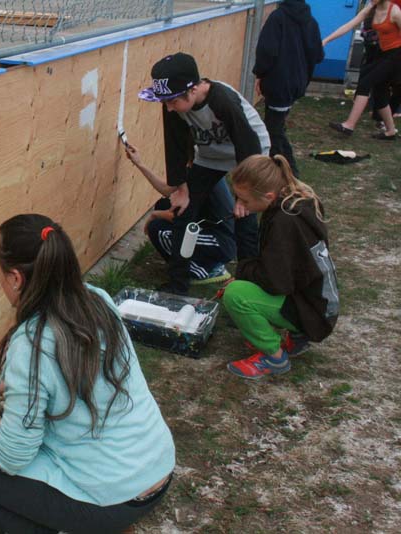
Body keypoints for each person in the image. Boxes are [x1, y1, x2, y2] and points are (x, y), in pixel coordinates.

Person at [0, 214, 175, 534]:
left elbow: (12, 457)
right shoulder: (96, 300)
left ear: (15, 279)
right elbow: (73, 382)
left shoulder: (32, 342)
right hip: (156, 472)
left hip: (110, 499)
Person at [138, 52, 270, 295]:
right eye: (164, 102)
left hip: (249, 155)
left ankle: (247, 286)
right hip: (211, 155)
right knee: (183, 211)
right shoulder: (173, 107)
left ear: (194, 89)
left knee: (245, 218)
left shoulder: (223, 101)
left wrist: (244, 195)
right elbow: (175, 146)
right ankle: (178, 284)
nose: (168, 108)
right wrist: (181, 187)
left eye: (172, 101)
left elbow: (247, 144)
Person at [223, 155, 339, 380]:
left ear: (268, 196)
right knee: (245, 283)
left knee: (235, 294)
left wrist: (242, 274)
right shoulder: (296, 201)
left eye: (244, 200)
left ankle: (274, 357)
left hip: (313, 312)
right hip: (320, 303)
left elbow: (278, 282)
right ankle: (297, 336)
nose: (240, 204)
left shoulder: (283, 222)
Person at [124, 143, 235, 284]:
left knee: (157, 229)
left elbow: (182, 219)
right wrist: (139, 163)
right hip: (211, 230)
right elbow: (167, 190)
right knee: (164, 204)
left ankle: (202, 270)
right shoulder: (202, 168)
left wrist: (155, 215)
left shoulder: (200, 178)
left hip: (221, 242)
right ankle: (206, 262)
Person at [253, 0, 324, 176]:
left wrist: (259, 74)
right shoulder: (311, 21)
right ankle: (283, 170)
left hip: (279, 83)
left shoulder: (277, 18)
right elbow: (318, 54)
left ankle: (289, 172)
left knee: (273, 131)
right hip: (296, 83)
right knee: (276, 124)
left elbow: (266, 51)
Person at [324, 0, 401, 139]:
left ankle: (349, 125)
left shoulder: (395, 11)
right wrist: (326, 40)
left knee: (365, 82)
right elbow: (349, 25)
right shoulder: (371, 9)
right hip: (383, 53)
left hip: (397, 55)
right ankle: (390, 131)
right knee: (380, 91)